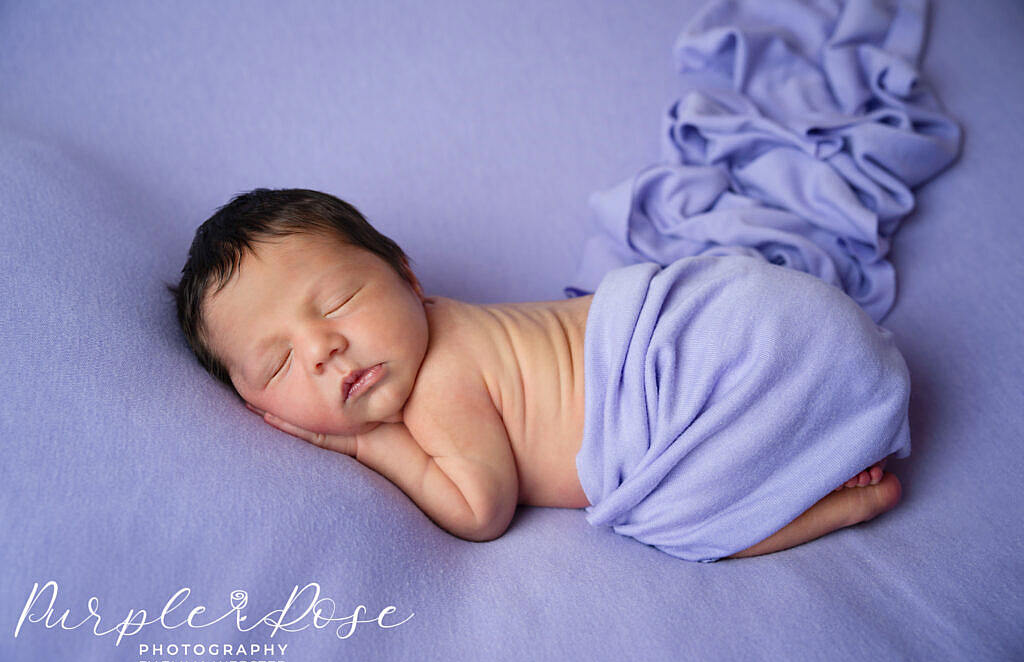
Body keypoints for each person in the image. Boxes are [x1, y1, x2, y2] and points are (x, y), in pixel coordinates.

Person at [169, 188, 903, 562]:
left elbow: (479, 509)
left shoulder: (440, 385)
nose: (323, 347)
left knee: (671, 523)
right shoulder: (457, 322)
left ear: (404, 274)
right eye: (281, 362)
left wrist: (369, 446)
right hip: (751, 315)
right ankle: (823, 410)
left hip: (690, 351)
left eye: (338, 301)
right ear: (256, 402)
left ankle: (835, 504)